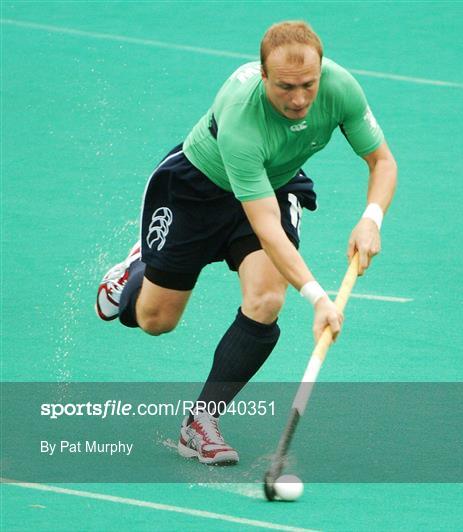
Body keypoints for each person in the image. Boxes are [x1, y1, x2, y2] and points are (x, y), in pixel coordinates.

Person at [96, 21, 397, 465]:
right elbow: (267, 230)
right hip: (197, 189)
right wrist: (317, 297)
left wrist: (371, 219)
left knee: (266, 299)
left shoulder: (340, 88)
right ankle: (135, 267)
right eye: (285, 87)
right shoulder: (242, 117)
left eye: (308, 85)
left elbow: (382, 160)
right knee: (156, 320)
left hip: (274, 182)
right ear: (262, 75)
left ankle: (201, 422)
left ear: (321, 72)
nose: (298, 99)